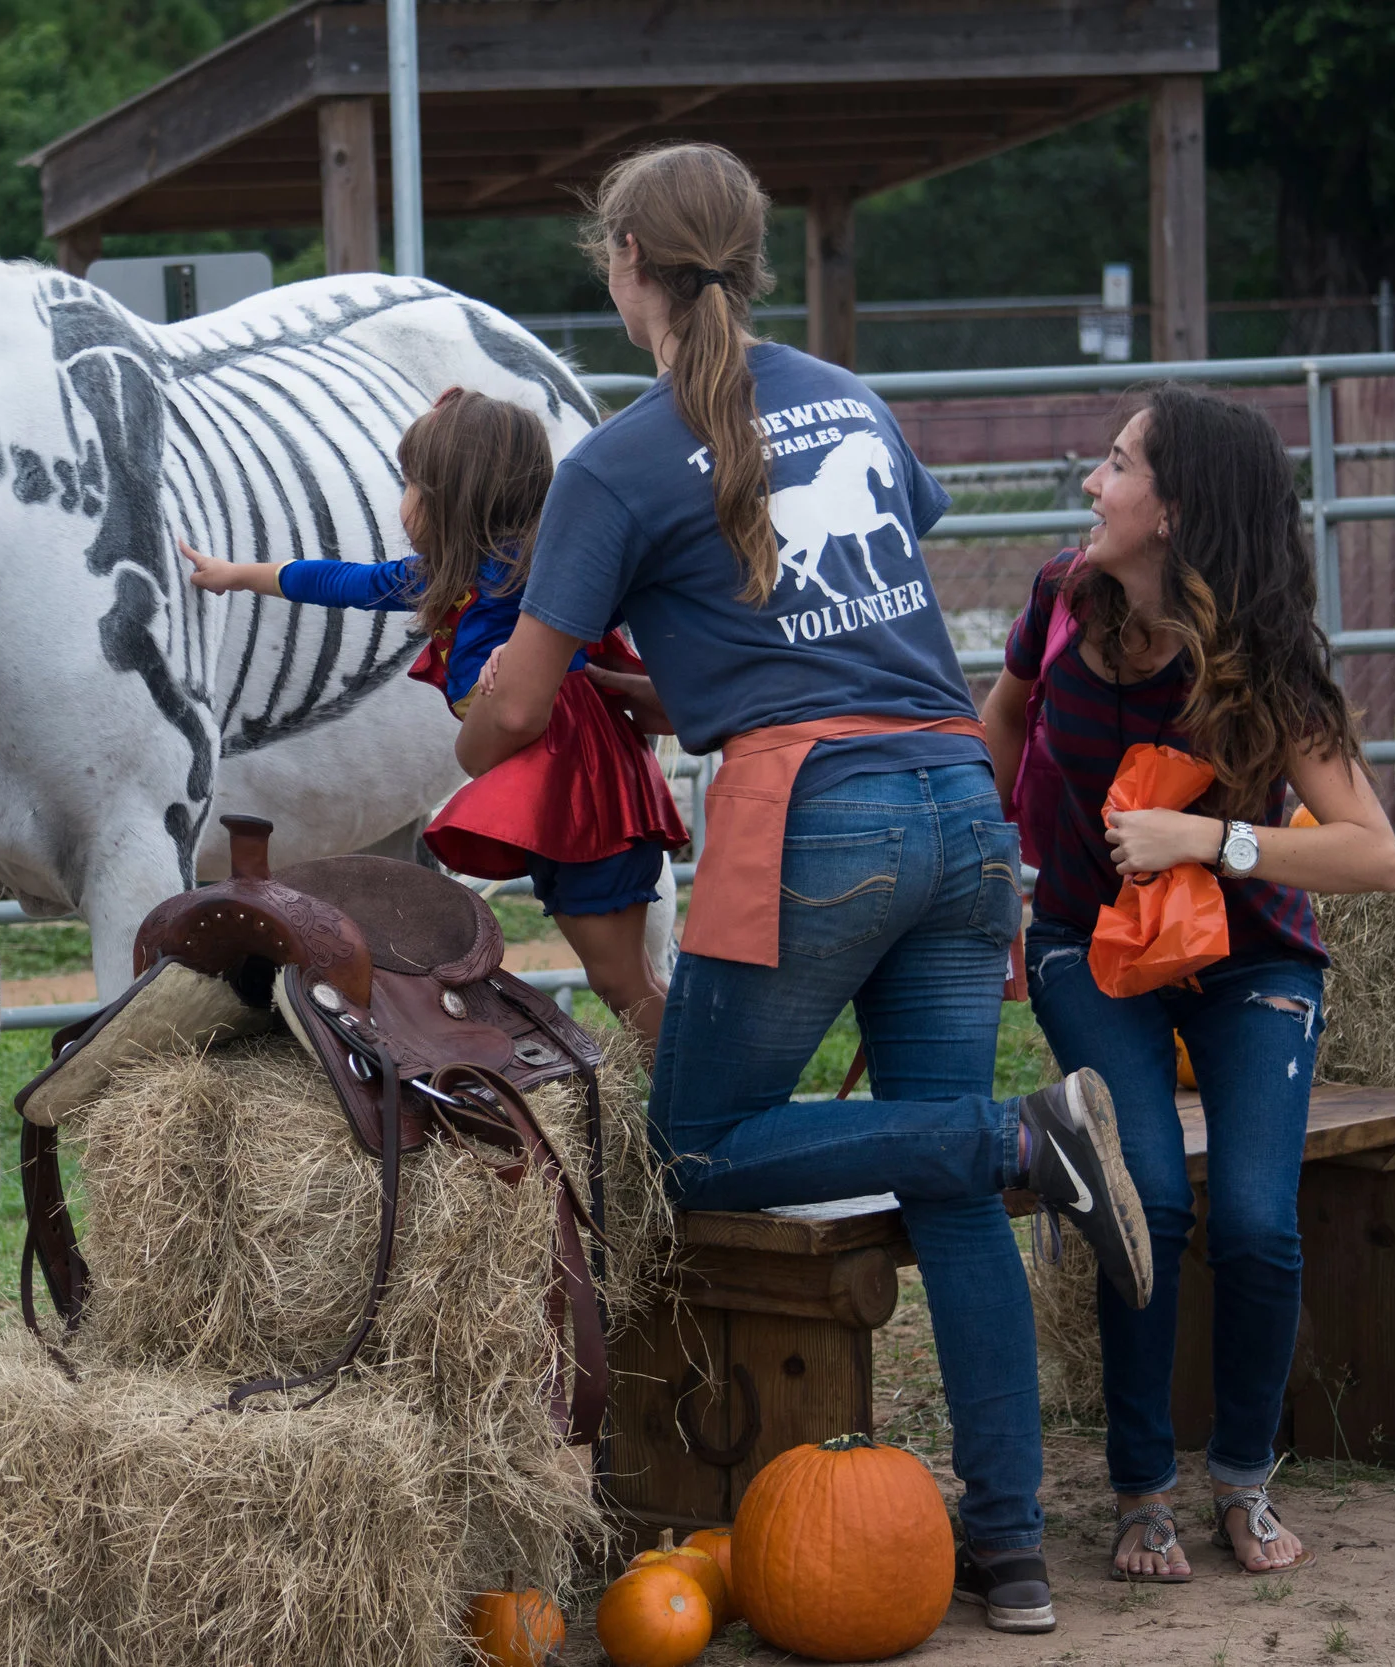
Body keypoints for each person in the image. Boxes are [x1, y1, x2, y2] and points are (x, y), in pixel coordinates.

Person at [456, 140, 1156, 1636]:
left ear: (624, 261)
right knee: (940, 1169)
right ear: (750, 257)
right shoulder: (855, 396)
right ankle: (1015, 1546)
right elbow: (864, 575)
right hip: (961, 800)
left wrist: (461, 713)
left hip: (819, 823)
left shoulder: (618, 461)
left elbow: (512, 711)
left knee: (694, 1143)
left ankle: (1024, 1140)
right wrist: (682, 680)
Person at [981, 386, 1395, 1583]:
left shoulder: (1262, 658)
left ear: (1172, 511)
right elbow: (1001, 723)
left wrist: (1210, 841)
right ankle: (1141, 1488)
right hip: (1080, 943)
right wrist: (965, 858)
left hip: (1249, 957)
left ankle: (1242, 1477)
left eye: (1114, 465)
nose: (1090, 484)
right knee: (1146, 1201)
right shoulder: (1062, 598)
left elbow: (1373, 849)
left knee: (1261, 1222)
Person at [178, 386, 687, 1044]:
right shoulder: (450, 575)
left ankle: (695, 1121)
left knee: (623, 979)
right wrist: (238, 574)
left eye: (412, 482)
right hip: (558, 785)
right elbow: (341, 580)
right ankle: (686, 1112)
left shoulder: (530, 573)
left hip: (585, 782)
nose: (403, 499)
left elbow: (628, 594)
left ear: (453, 496)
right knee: (619, 976)